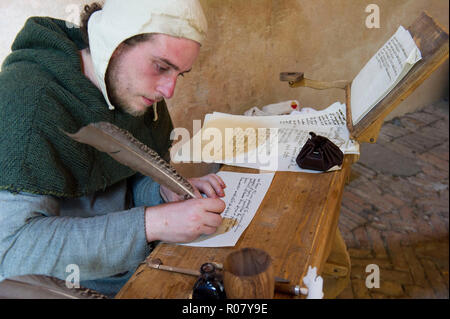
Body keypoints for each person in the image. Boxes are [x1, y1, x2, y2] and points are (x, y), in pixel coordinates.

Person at [0, 0, 226, 298]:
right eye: (160, 67)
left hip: (140, 264)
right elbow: (13, 252)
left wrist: (163, 191)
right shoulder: (28, 103)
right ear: (116, 44)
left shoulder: (130, 87)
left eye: (179, 74)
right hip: (68, 286)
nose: (169, 90)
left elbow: (124, 182)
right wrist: (155, 223)